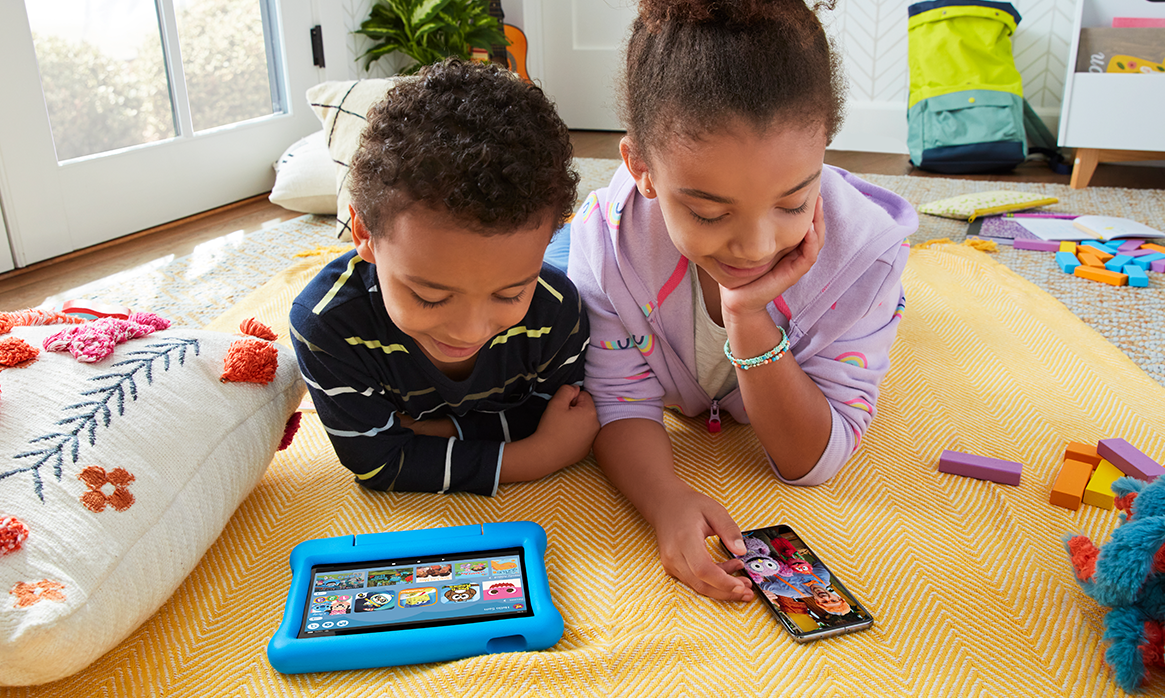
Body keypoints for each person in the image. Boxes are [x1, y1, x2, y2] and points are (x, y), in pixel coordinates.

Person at [568, 0, 918, 601]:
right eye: (708, 210)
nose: (756, 247)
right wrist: (665, 498)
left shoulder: (869, 261)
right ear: (642, 168)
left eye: (792, 202)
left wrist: (747, 316)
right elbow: (618, 400)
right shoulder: (608, 244)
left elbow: (813, 460)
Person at [291, 58, 598, 497]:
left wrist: (436, 431)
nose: (469, 330)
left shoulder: (557, 306)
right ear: (364, 234)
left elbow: (563, 412)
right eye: (431, 297)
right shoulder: (328, 324)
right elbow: (378, 462)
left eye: (510, 294)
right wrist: (537, 456)